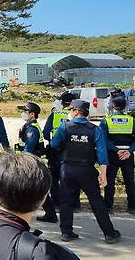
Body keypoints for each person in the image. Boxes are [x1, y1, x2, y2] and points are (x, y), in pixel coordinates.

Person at [51, 99, 121, 243]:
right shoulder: (95, 129)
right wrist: (103, 173)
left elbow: (54, 144)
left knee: (65, 200)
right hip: (87, 170)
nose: (70, 112)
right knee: (96, 201)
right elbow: (102, 154)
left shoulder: (64, 127)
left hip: (67, 169)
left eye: (71, 109)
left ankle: (66, 232)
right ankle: (109, 234)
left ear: (76, 111)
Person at [16, 102, 58, 223]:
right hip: (31, 162)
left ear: (32, 114)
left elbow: (29, 148)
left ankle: (48, 214)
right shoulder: (29, 126)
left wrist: (22, 162)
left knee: (35, 189)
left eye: (25, 112)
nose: (23, 114)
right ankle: (50, 214)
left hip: (31, 162)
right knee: (37, 189)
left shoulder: (32, 129)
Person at [100, 96, 135, 214]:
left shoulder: (106, 120)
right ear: (125, 106)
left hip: (112, 155)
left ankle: (108, 206)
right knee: (130, 181)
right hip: (128, 155)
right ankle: (132, 207)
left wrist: (116, 150)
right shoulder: (132, 120)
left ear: (113, 106)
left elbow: (104, 140)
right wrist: (129, 151)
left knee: (110, 181)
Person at [43, 91, 78, 209]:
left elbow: (46, 132)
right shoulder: (77, 116)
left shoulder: (54, 115)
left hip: (55, 151)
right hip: (73, 151)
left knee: (54, 178)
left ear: (61, 103)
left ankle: (57, 202)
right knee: (73, 178)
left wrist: (50, 144)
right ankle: (74, 203)